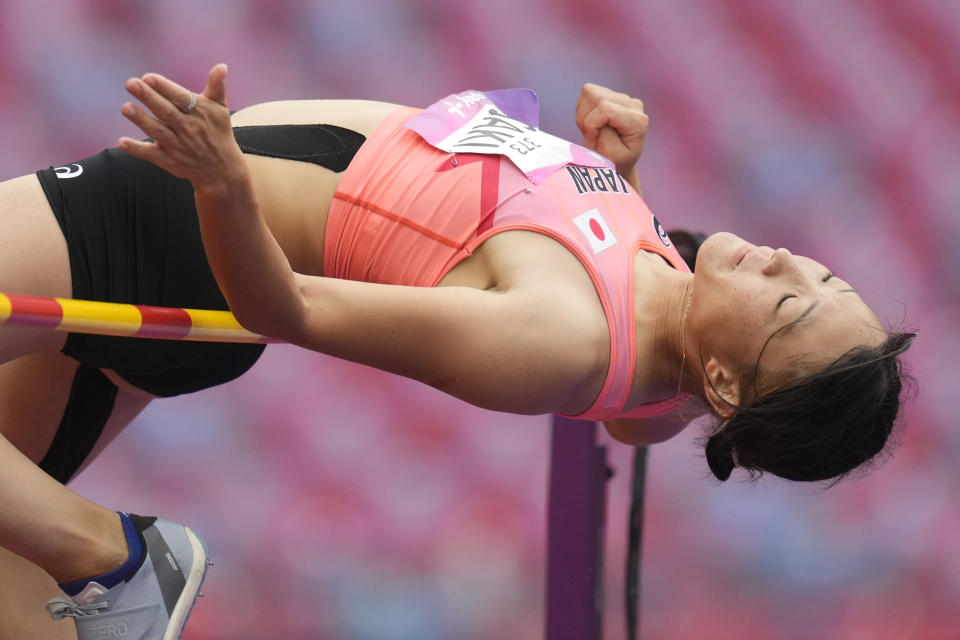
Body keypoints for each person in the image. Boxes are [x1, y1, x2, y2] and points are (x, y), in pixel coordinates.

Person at [0, 64, 913, 638]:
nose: (791, 259)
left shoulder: (557, 335)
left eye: (789, 303)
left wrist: (221, 180)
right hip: (176, 251)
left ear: (724, 380)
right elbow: (642, 421)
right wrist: (621, 180)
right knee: (13, 583)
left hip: (165, 228)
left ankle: (115, 556)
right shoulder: (662, 304)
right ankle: (90, 570)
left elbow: (288, 308)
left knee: (65, 562)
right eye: (826, 277)